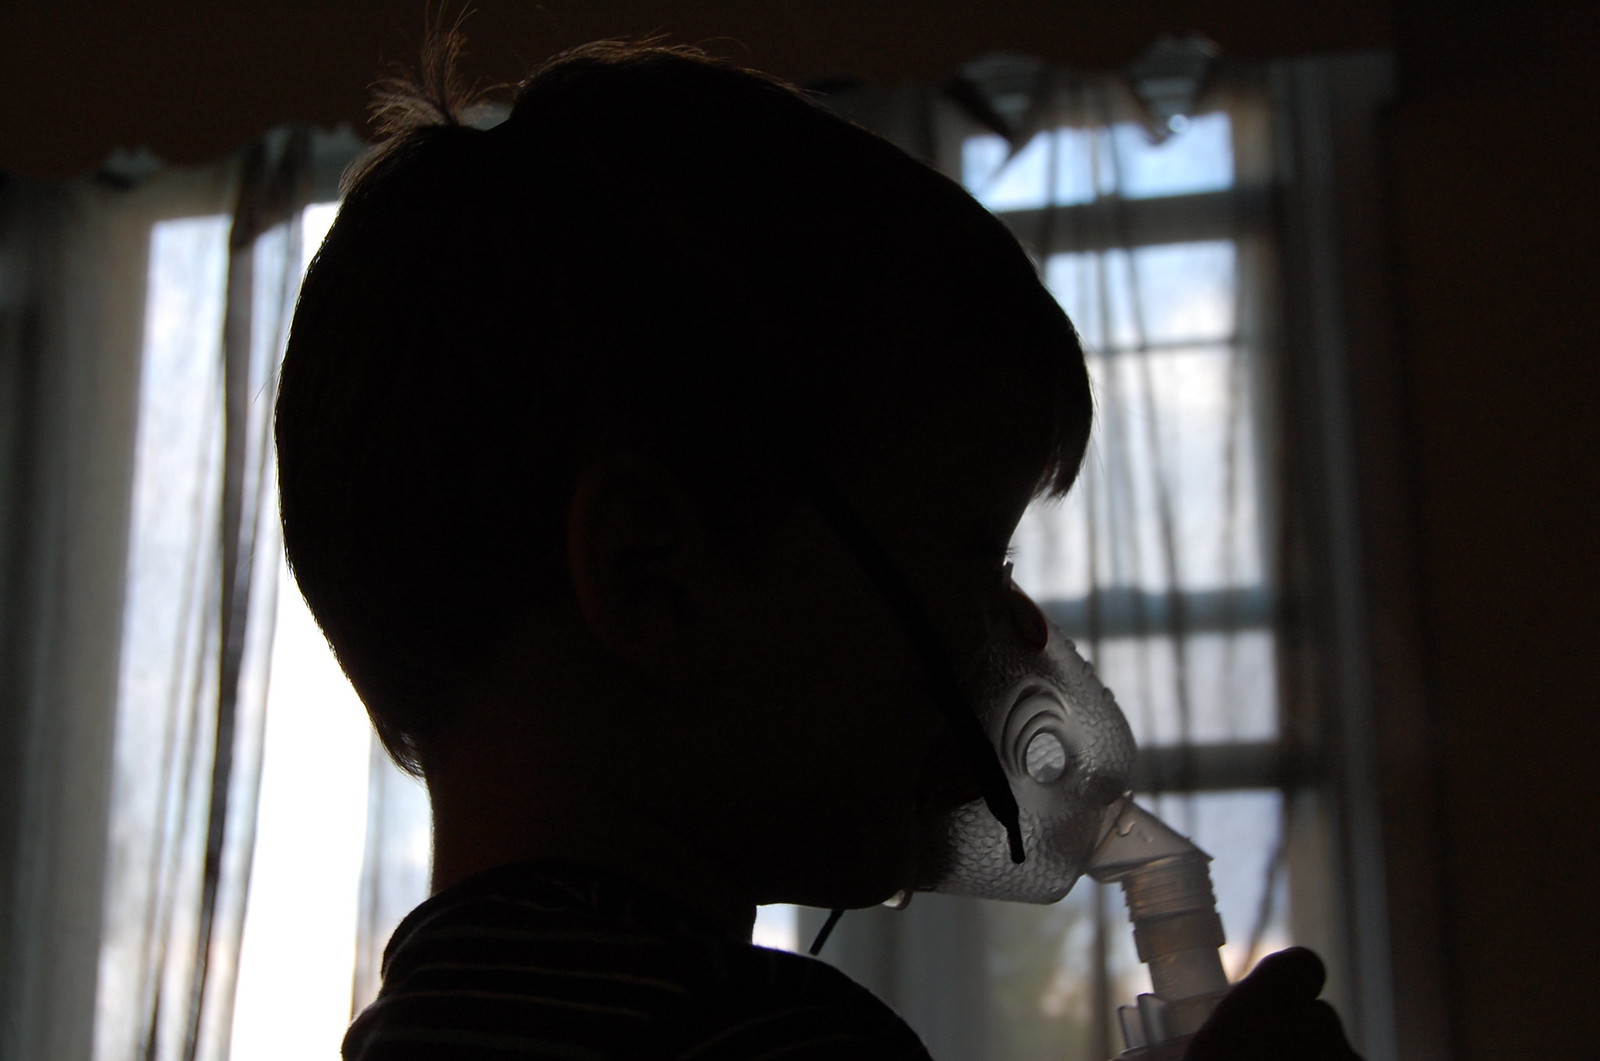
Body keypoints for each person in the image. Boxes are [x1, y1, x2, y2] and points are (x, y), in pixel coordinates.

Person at [275, 35, 1361, 1061]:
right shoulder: (781, 1041)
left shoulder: (414, 1029)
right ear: (653, 576)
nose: (1023, 632)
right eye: (974, 556)